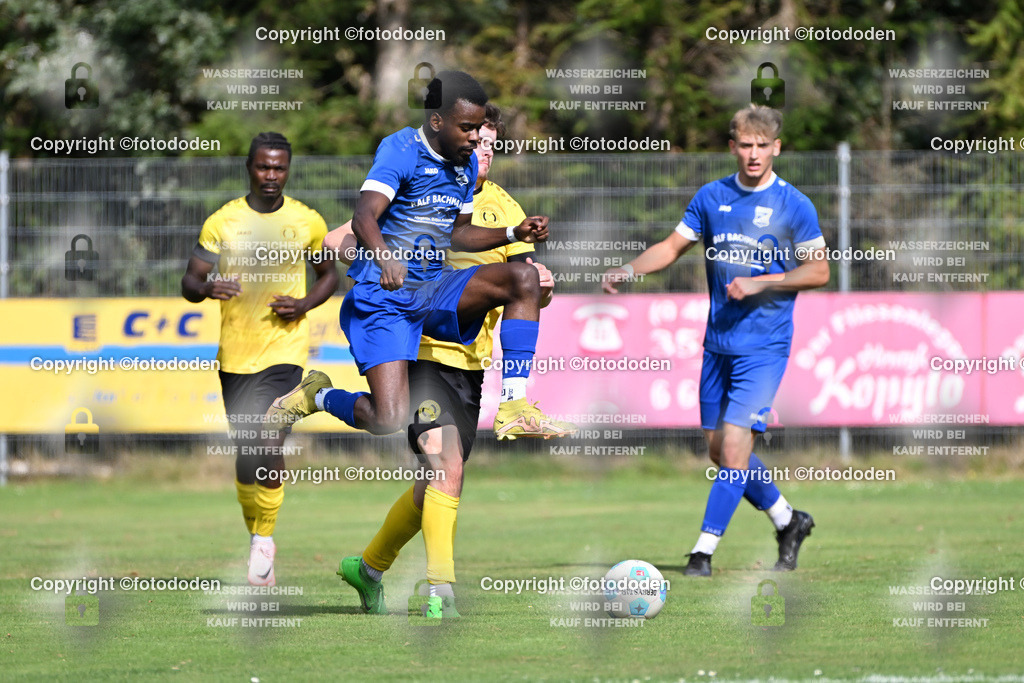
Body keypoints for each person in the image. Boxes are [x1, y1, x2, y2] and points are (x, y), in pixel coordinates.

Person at [322, 104, 556, 619]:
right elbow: (337, 239)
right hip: (421, 351)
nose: (481, 149)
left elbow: (525, 288)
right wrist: (376, 257)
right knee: (444, 466)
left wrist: (543, 286)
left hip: (469, 362)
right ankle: (439, 594)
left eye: (491, 143)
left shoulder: (504, 208)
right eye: (476, 138)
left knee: (438, 482)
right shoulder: (418, 189)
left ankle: (369, 568)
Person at [266, 71, 573, 440]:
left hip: (433, 289)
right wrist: (384, 257)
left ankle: (513, 405)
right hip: (385, 299)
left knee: (522, 278)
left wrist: (512, 233)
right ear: (436, 121)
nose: (475, 139)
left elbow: (458, 234)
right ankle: (318, 394)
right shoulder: (400, 150)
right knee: (387, 418)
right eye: (467, 128)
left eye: (479, 129)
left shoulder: (466, 164)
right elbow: (364, 217)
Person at [602, 104, 829, 576]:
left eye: (763, 146)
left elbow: (819, 270)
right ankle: (789, 520)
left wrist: (762, 283)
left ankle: (702, 553)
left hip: (764, 347)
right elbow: (670, 247)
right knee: (718, 450)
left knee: (732, 451)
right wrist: (628, 269)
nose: (753, 154)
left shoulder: (794, 205)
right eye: (745, 145)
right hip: (717, 345)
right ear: (733, 147)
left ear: (776, 148)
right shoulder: (711, 198)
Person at [181, 132, 339, 586]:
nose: (272, 176)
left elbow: (329, 274)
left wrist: (304, 304)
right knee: (247, 454)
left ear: (288, 170)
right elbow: (189, 283)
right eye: (263, 167)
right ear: (249, 168)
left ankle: (264, 540)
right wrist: (208, 288)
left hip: (286, 354)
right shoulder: (222, 221)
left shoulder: (307, 221)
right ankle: (256, 534)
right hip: (235, 355)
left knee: (269, 438)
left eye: (280, 168)